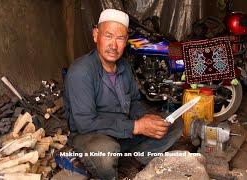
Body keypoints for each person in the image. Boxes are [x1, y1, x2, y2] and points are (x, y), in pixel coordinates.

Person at [64, 9, 182, 180]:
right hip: (92, 134)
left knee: (173, 123)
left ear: (126, 41)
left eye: (120, 38)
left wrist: (147, 118)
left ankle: (132, 162)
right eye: (108, 36)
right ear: (96, 35)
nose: (114, 45)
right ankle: (112, 169)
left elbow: (134, 101)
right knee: (105, 153)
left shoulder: (124, 66)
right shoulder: (81, 71)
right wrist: (137, 127)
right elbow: (85, 123)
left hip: (125, 130)